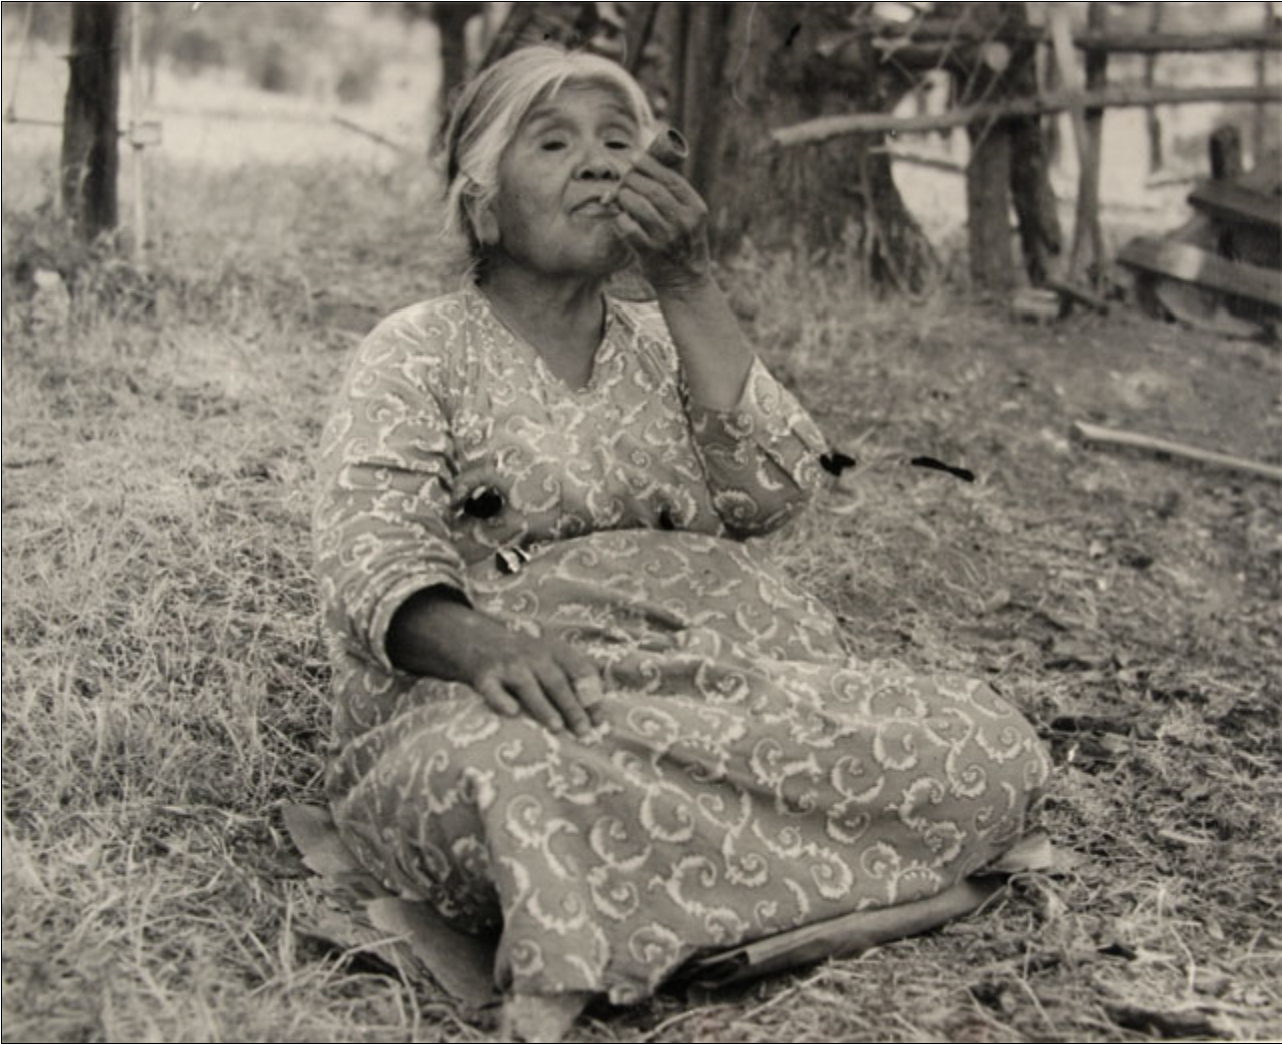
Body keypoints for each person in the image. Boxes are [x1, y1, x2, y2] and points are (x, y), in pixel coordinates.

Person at [313, 44, 1051, 1043]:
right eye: (554, 143)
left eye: (619, 142)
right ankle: (766, 881)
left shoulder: (667, 340)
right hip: (522, 705)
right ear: (480, 200)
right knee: (512, 777)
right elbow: (369, 555)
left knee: (987, 744)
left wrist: (689, 282)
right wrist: (487, 648)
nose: (598, 163)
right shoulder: (416, 350)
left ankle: (622, 902)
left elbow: (778, 492)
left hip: (717, 687)